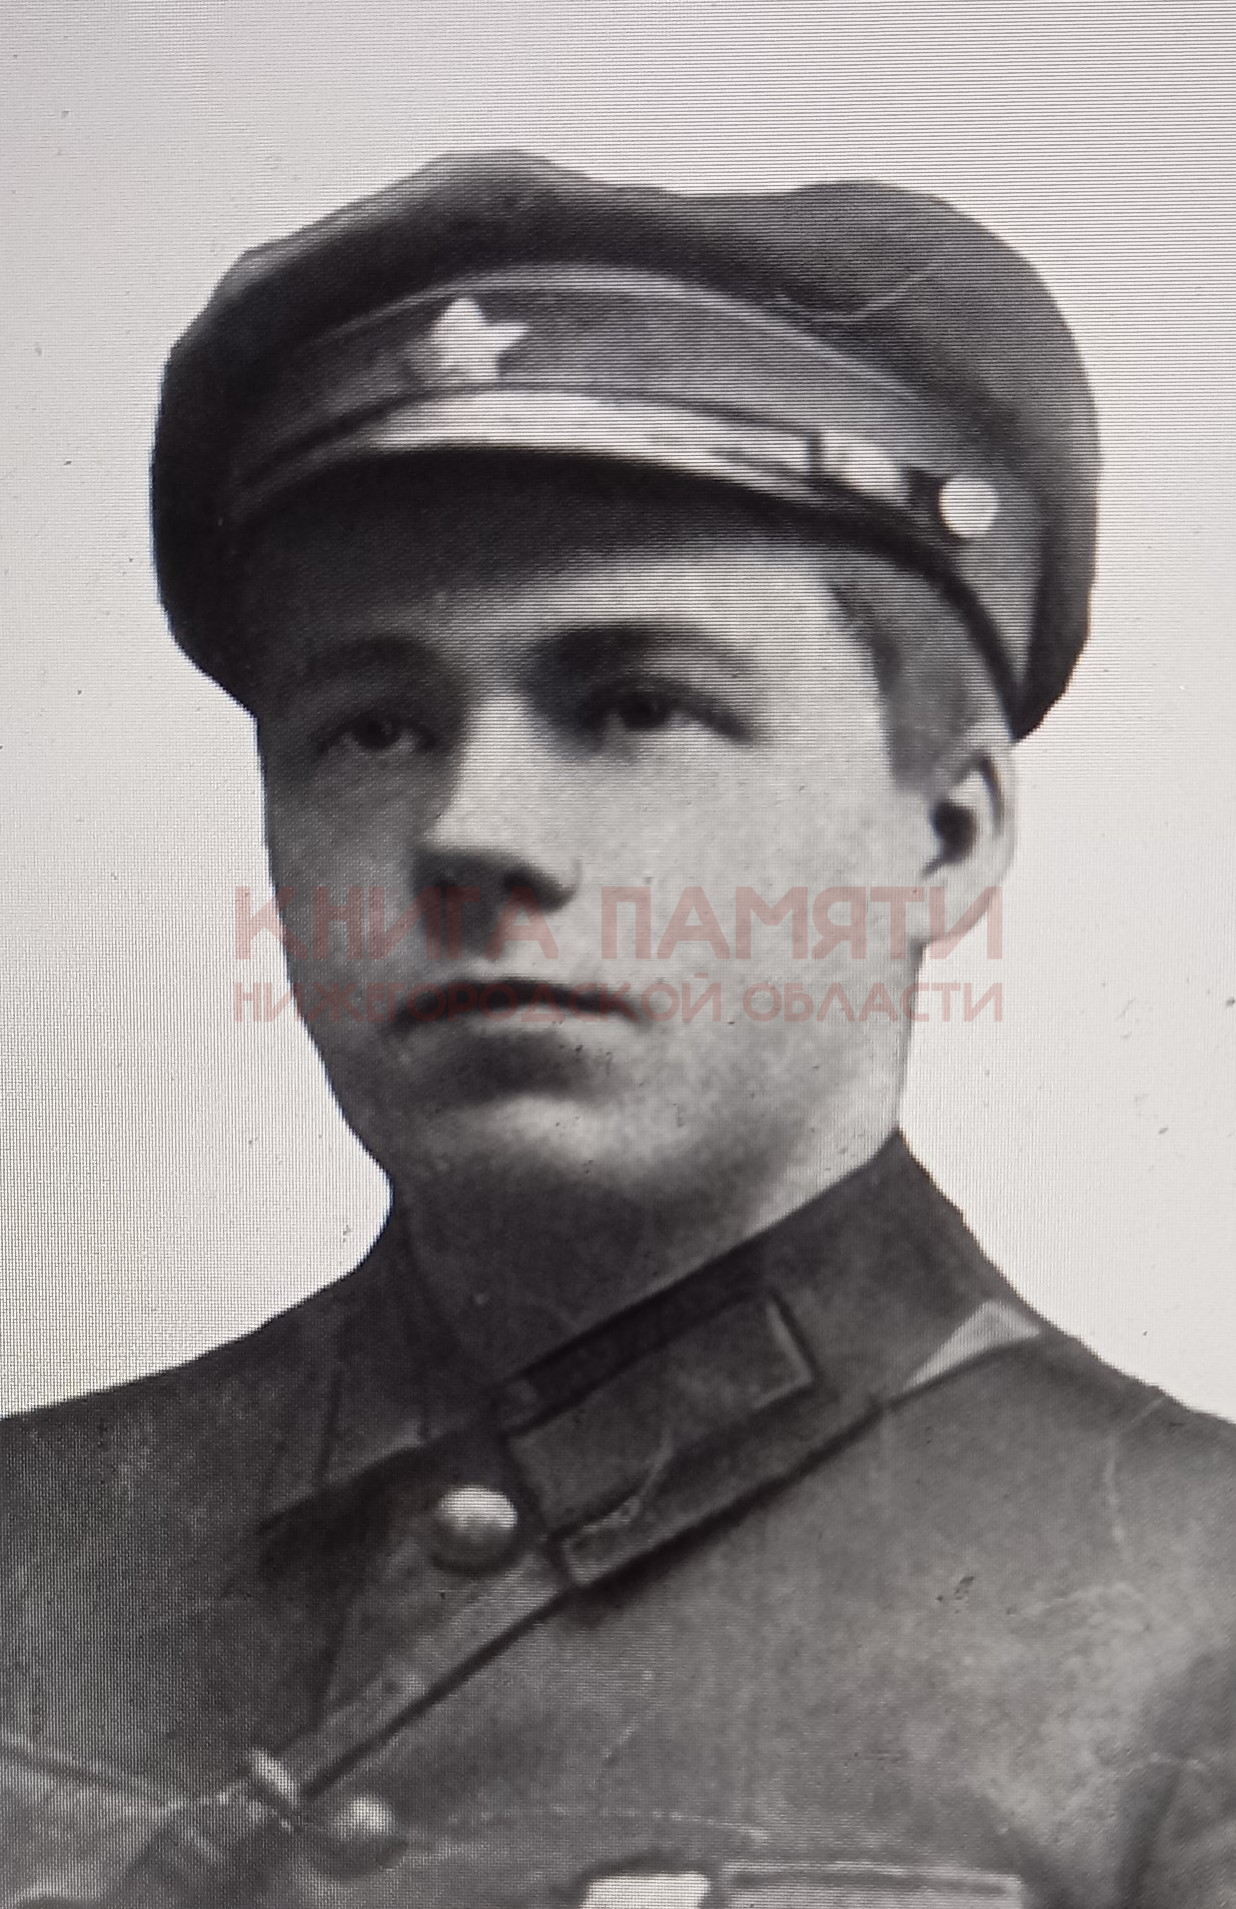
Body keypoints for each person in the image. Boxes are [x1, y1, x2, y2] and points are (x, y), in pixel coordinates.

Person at [1, 152, 1234, 1909]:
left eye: (636, 703)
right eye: (370, 730)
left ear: (947, 831)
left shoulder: (1192, 1631)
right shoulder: (33, 1544)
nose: (470, 832)